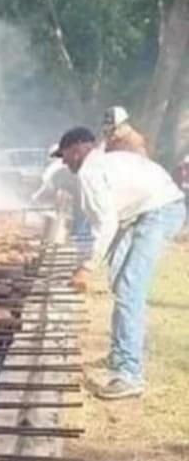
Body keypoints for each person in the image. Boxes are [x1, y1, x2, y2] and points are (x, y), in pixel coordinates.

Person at [56, 127, 187, 400]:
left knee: (129, 290)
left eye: (64, 155)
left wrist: (86, 268)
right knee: (119, 279)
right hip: (148, 212)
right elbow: (108, 225)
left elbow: (106, 225)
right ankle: (120, 355)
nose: (64, 162)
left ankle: (130, 374)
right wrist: (91, 261)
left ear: (77, 149)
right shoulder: (103, 162)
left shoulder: (90, 172)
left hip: (158, 212)